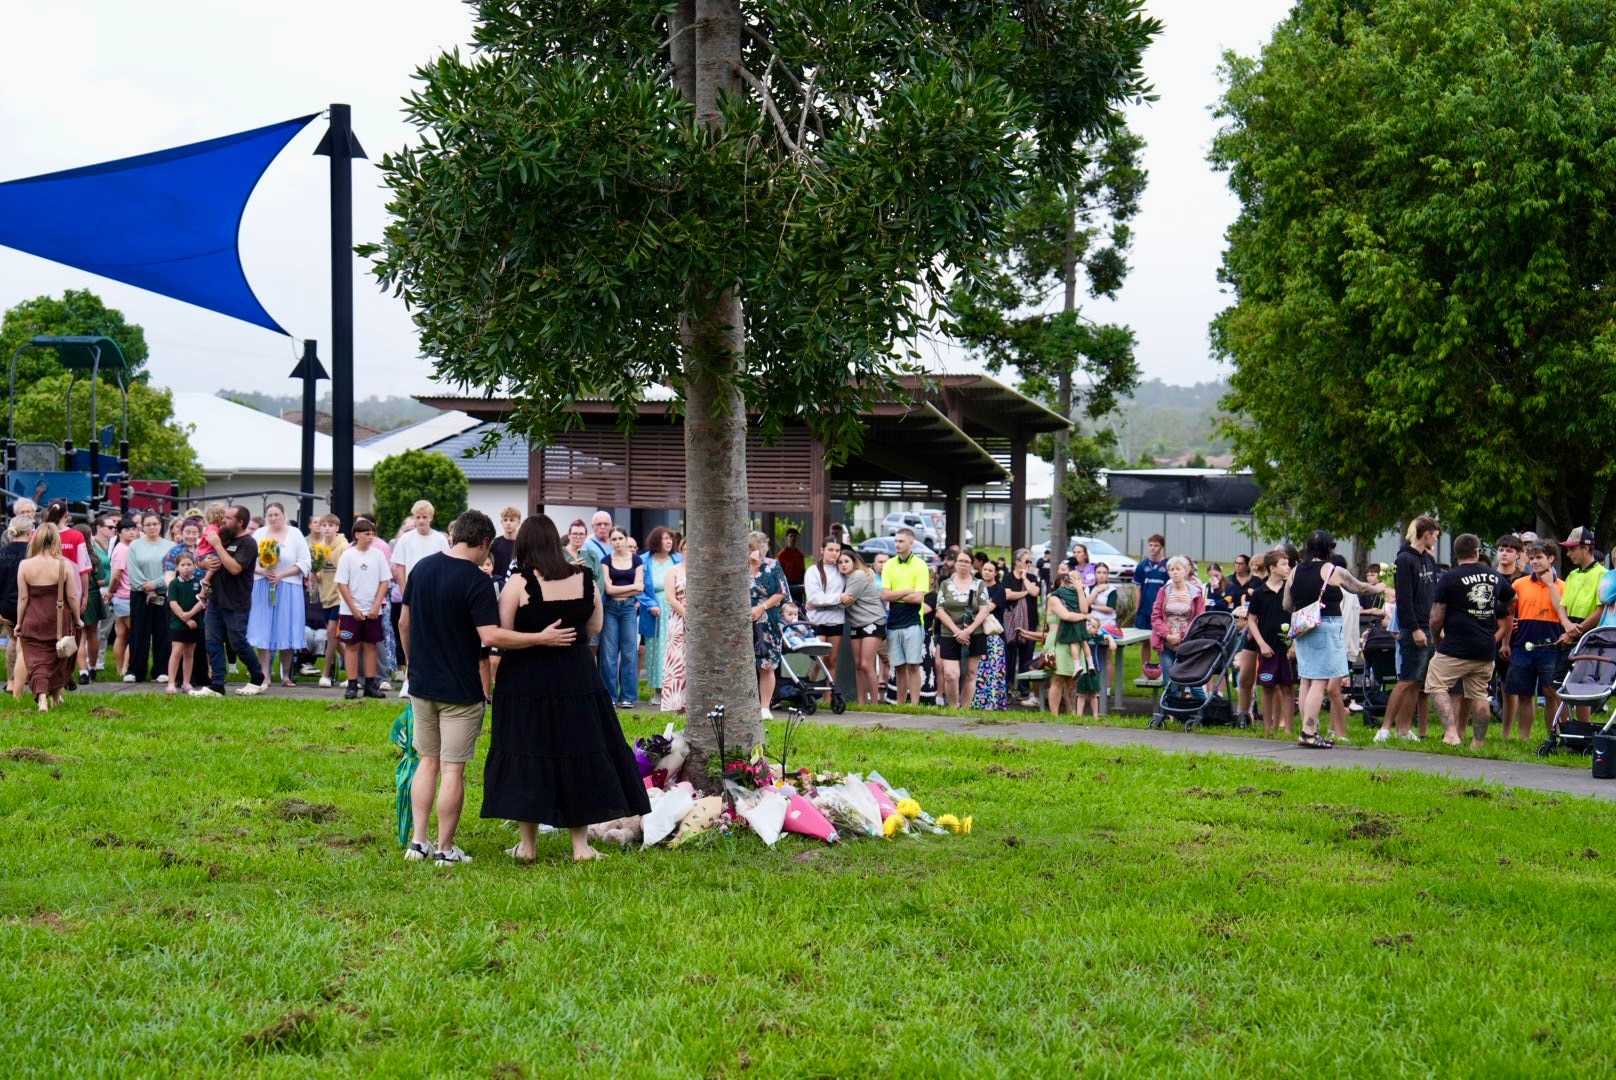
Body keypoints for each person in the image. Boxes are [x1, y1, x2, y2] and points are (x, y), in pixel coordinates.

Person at [402, 510, 568, 865]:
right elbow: (490, 636)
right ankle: (445, 849)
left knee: (426, 761)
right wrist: (540, 638)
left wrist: (410, 665)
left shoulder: (421, 569)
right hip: (459, 689)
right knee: (452, 769)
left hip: (421, 684)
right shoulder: (476, 582)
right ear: (484, 543)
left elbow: (404, 622)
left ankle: (417, 842)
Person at [481, 514, 650, 863]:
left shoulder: (518, 583)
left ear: (525, 545)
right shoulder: (585, 578)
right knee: (579, 750)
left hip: (525, 679)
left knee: (527, 751)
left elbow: (504, 634)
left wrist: (538, 638)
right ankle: (580, 845)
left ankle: (527, 846)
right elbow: (596, 624)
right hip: (576, 676)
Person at [1284, 530, 1385, 748]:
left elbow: (1286, 604)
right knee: (1320, 681)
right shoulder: (1332, 570)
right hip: (1326, 627)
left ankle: (1306, 728)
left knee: (1306, 679)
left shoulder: (1295, 571)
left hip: (1303, 627)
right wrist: (1379, 588)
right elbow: (1359, 587)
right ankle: (1309, 732)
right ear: (1329, 548)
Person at [1425, 533, 1514, 748]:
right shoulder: (1493, 576)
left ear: (1456, 555)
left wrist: (1436, 637)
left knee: (1435, 684)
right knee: (1479, 693)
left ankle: (1451, 734)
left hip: (1456, 646)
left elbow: (1436, 617)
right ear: (1477, 552)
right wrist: (1495, 609)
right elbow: (1512, 597)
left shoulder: (1449, 578)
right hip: (1485, 646)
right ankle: (1478, 742)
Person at [189, 506, 268, 698]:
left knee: (237, 642)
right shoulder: (225, 537)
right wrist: (203, 563)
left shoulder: (248, 543)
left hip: (236, 601)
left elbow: (234, 568)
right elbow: (203, 560)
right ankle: (217, 685)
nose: (223, 521)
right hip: (215, 599)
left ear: (240, 522)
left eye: (229, 518)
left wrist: (217, 546)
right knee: (212, 641)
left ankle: (258, 678)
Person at [1378, 516, 1441, 741]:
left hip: (1428, 626)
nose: (1436, 538)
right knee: (1405, 680)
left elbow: (1433, 594)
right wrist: (1413, 629)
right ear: (1426, 534)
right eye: (1435, 534)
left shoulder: (1429, 560)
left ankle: (1404, 729)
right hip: (1413, 628)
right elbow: (1403, 599)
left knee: (1416, 682)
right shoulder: (1404, 559)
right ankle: (1384, 729)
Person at [1501, 541, 1567, 742]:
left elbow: (1562, 612)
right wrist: (1506, 642)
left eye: (1539, 557)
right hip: (1523, 645)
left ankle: (1553, 736)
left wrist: (1549, 584)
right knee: (1523, 693)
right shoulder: (1519, 584)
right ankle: (1524, 737)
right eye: (1531, 558)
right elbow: (1509, 615)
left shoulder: (1563, 586)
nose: (1534, 562)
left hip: (1551, 646)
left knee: (1551, 693)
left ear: (1551, 559)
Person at [11, 523, 80, 711]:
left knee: (36, 661)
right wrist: (78, 618)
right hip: (58, 621)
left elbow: (23, 598)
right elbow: (72, 597)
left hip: (33, 620)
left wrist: (19, 623)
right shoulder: (64, 565)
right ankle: (56, 698)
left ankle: (42, 699)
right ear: (56, 540)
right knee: (59, 657)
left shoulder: (25, 565)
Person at [247, 502, 310, 688]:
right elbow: (249, 560)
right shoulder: (259, 534)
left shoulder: (295, 534)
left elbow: (305, 562)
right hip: (263, 584)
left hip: (289, 586)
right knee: (263, 628)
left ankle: (286, 675)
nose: (273, 518)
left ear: (284, 514)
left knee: (286, 628)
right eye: (270, 515)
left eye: (277, 514)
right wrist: (263, 572)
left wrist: (281, 574)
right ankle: (265, 673)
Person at [390, 500, 451, 675]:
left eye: (424, 517)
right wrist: (405, 594)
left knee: (432, 630)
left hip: (434, 593)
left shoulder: (440, 539)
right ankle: (410, 668)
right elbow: (400, 569)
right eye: (418, 517)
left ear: (431, 517)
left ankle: (433, 670)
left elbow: (445, 567)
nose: (421, 521)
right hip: (411, 592)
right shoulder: (405, 540)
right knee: (404, 625)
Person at [335, 517, 390, 700]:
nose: (371, 537)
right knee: (352, 646)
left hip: (373, 610)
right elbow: (342, 584)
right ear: (357, 535)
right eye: (367, 534)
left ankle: (370, 684)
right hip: (350, 611)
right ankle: (352, 684)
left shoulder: (378, 555)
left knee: (371, 646)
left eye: (373, 533)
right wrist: (354, 608)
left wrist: (376, 606)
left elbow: (384, 581)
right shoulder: (348, 555)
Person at [1245, 545, 1297, 737]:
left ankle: (1289, 729)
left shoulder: (1291, 590)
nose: (1288, 567)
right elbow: (1251, 620)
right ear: (1272, 568)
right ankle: (1267, 729)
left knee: (1288, 688)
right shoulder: (1259, 593)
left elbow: (1297, 617)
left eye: (1289, 564)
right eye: (1284, 564)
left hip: (1286, 647)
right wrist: (1261, 643)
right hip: (1267, 649)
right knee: (1267, 688)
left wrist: (1293, 643)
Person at [934, 549, 990, 708]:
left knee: (970, 673)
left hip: (974, 633)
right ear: (955, 563)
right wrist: (957, 631)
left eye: (966, 561)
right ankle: (953, 707)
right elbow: (940, 610)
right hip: (949, 633)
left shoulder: (979, 584)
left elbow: (984, 609)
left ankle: (965, 708)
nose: (963, 564)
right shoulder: (945, 584)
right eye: (960, 561)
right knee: (951, 674)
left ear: (972, 565)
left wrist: (968, 630)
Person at [881, 528, 930, 705]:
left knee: (913, 665)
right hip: (894, 622)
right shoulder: (889, 564)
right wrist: (907, 591)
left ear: (911, 543)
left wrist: (896, 595)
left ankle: (915, 705)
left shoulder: (920, 565)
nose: (897, 544)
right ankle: (901, 705)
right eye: (896, 541)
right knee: (899, 667)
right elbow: (884, 595)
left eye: (901, 541)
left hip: (913, 622)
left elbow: (918, 598)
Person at [597, 525, 643, 708]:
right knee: (608, 653)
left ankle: (628, 697)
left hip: (629, 609)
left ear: (626, 539)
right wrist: (631, 588)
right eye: (613, 539)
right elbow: (608, 589)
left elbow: (641, 587)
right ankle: (609, 696)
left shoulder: (637, 560)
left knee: (630, 652)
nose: (617, 542)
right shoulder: (606, 560)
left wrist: (623, 588)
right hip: (610, 608)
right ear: (610, 541)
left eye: (620, 538)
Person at [124, 513, 173, 683]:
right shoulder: (135, 546)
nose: (152, 527)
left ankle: (162, 669)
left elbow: (171, 570)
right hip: (140, 594)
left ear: (161, 525)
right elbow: (133, 570)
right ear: (142, 527)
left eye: (155, 524)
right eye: (148, 524)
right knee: (139, 632)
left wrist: (156, 584)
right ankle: (135, 670)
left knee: (163, 632)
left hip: (163, 594)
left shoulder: (171, 546)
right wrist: (146, 587)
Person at [748, 530, 789, 720]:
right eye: (749, 548)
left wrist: (762, 607)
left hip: (767, 620)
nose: (752, 552)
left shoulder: (773, 566)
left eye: (755, 548)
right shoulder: (739, 567)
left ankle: (765, 707)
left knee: (766, 664)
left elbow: (781, 593)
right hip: (742, 620)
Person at [639, 525, 681, 706]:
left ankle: (675, 690)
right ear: (657, 541)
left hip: (676, 608)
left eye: (670, 539)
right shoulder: (644, 561)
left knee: (675, 648)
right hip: (655, 610)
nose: (669, 541)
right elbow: (639, 588)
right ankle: (658, 690)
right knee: (657, 649)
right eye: (665, 538)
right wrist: (651, 605)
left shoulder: (677, 559)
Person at [1150, 556, 1206, 692]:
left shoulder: (1196, 593)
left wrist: (1181, 635)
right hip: (1166, 642)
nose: (1175, 572)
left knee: (1193, 682)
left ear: (1186, 571)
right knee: (1169, 681)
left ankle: (1201, 710)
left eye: (1178, 569)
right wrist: (1167, 635)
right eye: (1171, 569)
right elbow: (1156, 617)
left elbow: (1199, 619)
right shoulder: (1163, 591)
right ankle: (1170, 712)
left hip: (1188, 643)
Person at [307, 514, 350, 688]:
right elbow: (317, 574)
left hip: (340, 597)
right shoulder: (318, 548)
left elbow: (346, 572)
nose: (326, 528)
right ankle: (354, 671)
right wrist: (313, 576)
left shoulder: (344, 547)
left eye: (331, 525)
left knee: (331, 633)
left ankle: (325, 674)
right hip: (325, 597)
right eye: (324, 525)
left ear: (337, 528)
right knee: (337, 639)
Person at [839, 549, 886, 706]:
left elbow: (847, 600)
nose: (843, 565)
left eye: (846, 561)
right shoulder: (845, 578)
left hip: (873, 621)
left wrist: (820, 602)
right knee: (858, 665)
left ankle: (874, 704)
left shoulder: (858, 576)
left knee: (866, 664)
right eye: (840, 562)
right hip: (856, 623)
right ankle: (861, 702)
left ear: (854, 562)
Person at [802, 536, 846, 703]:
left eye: (837, 550)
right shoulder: (813, 571)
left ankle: (830, 697)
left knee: (832, 660)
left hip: (836, 621)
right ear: (822, 550)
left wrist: (831, 600)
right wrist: (838, 598)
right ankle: (809, 692)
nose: (834, 554)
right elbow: (815, 598)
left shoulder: (842, 570)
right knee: (818, 658)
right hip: (817, 621)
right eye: (830, 550)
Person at [970, 558, 1010, 711]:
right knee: (977, 670)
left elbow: (987, 608)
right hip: (976, 631)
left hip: (992, 635)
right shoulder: (976, 586)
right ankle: (975, 701)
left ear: (995, 573)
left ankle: (992, 703)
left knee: (992, 671)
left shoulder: (999, 590)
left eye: (990, 570)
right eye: (984, 569)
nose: (986, 572)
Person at [1003, 548, 1041, 706]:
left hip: (1030, 622)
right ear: (1017, 562)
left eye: (1030, 561)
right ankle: (1009, 688)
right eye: (1026, 561)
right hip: (1011, 624)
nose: (1028, 564)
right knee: (1010, 657)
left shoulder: (1031, 577)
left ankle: (1024, 689)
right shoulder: (1008, 577)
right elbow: (1007, 595)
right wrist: (1023, 593)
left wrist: (1025, 579)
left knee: (1027, 657)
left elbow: (1035, 592)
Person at [80, 514, 114, 684]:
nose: (113, 530)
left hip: (75, 595)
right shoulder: (93, 554)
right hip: (94, 593)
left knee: (81, 635)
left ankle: (82, 670)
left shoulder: (71, 554)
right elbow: (101, 578)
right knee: (93, 632)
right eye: (110, 527)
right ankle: (92, 667)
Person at [0, 516, 33, 690]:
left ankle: (12, 681)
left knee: (13, 641)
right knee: (29, 643)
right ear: (30, 531)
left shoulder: (2, 553)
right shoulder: (33, 553)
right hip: (30, 605)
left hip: (6, 606)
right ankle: (29, 680)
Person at [165, 552, 205, 693]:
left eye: (189, 564)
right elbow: (173, 604)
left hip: (196, 622)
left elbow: (202, 601)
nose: (186, 568)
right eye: (183, 565)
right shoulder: (174, 584)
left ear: (195, 566)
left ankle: (186, 682)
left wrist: (191, 615)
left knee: (189, 652)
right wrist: (186, 619)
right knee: (176, 651)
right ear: (177, 567)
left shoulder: (199, 582)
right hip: (178, 623)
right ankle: (171, 682)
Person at [1133, 534, 1169, 678]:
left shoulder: (1167, 565)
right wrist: (1137, 609)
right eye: (1151, 545)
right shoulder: (1142, 565)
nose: (1153, 548)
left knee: (1161, 642)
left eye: (1156, 545)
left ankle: (1162, 672)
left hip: (1160, 611)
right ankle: (1146, 671)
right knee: (1145, 642)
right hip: (1145, 610)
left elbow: (1169, 589)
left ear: (1161, 547)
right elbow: (1138, 589)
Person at [660, 537, 689, 714]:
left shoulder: (703, 570)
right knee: (679, 661)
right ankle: (679, 706)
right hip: (679, 620)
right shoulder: (673, 571)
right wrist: (688, 615)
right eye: (686, 548)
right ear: (680, 550)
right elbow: (670, 598)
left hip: (701, 621)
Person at [107, 518, 137, 680]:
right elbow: (116, 575)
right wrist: (110, 592)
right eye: (127, 529)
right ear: (119, 533)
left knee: (122, 634)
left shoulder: (126, 548)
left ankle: (120, 669)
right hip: (124, 596)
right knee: (134, 634)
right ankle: (125, 668)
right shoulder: (123, 550)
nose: (131, 532)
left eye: (133, 528)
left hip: (121, 597)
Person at [490, 506, 521, 591]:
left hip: (516, 587)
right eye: (505, 520)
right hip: (497, 585)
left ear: (519, 522)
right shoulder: (494, 543)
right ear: (501, 522)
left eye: (511, 520)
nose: (508, 523)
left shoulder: (523, 544)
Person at [777, 527, 807, 603]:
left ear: (798, 539)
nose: (793, 538)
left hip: (798, 585)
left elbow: (803, 571)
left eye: (795, 536)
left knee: (799, 606)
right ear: (786, 538)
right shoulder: (781, 555)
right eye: (791, 536)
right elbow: (779, 571)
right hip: (786, 584)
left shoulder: (800, 555)